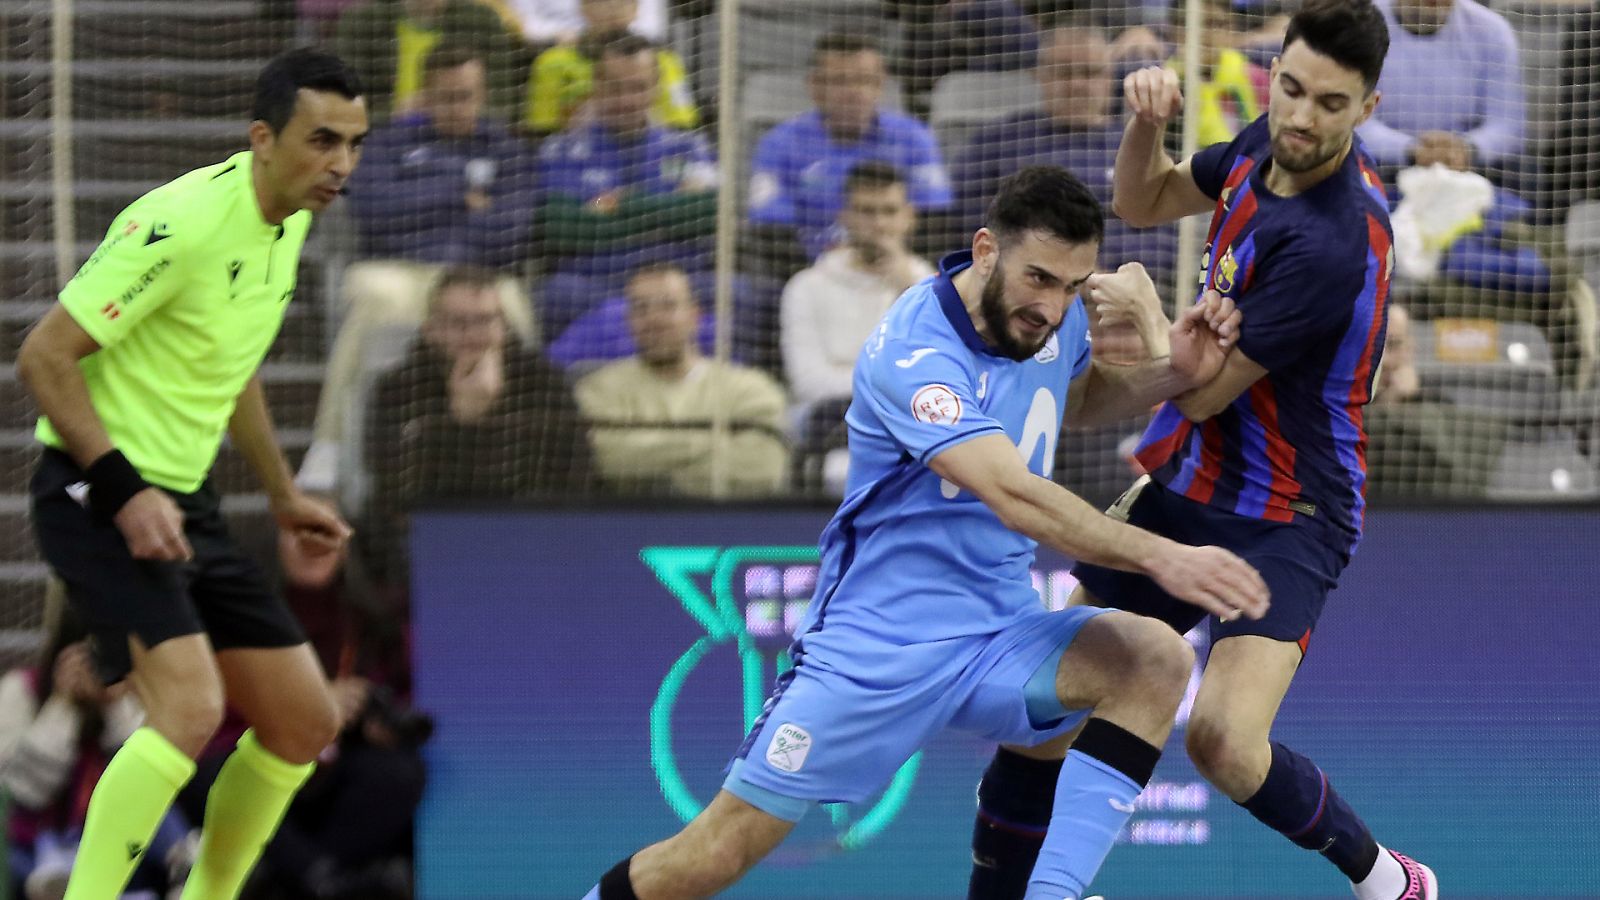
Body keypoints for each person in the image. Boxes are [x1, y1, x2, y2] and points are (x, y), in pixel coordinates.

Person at [581, 165, 1270, 900]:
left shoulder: (1055, 320)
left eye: (1072, 285)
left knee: (1153, 660)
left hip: (999, 631)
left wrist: (1172, 373)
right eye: (1037, 278)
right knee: (708, 858)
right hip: (878, 647)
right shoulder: (914, 352)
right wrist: (1163, 557)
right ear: (984, 251)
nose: (1052, 305)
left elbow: (1076, 399)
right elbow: (1012, 492)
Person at [967, 4, 1439, 900]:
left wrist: (1148, 318)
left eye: (1329, 104)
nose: (1300, 117)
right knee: (1043, 705)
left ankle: (1388, 881)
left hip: (1290, 512)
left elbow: (1204, 388)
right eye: (1290, 88)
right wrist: (1146, 126)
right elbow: (1141, 199)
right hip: (1191, 482)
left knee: (1221, 741)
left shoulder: (1335, 244)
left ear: (1367, 108)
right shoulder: (1270, 139)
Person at [15, 48, 369, 900]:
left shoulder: (292, 219)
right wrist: (123, 490)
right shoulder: (182, 224)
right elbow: (44, 357)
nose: (342, 165)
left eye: (355, 144)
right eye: (323, 141)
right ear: (263, 137)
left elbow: (230, 361)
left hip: (184, 504)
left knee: (305, 721)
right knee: (189, 709)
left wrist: (282, 493)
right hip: (93, 492)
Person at [365, 266, 594, 585]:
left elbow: (575, 470)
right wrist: (465, 423)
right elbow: (394, 484)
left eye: (485, 321)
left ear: (504, 326)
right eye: (458, 323)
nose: (473, 334)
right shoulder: (397, 388)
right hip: (434, 537)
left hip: (532, 534)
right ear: (431, 328)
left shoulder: (545, 381)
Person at [949, 16, 1178, 289]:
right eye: (1065, 72)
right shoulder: (997, 143)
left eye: (1090, 73)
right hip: (1021, 288)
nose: (1078, 85)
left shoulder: (1139, 145)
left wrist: (1102, 280)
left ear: (1110, 78)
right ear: (1040, 75)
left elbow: (1165, 236)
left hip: (1125, 293)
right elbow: (967, 224)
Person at [535, 32, 718, 330]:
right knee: (558, 294)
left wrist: (623, 205)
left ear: (656, 89)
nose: (627, 100)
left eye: (638, 88)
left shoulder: (688, 147)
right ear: (597, 86)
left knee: (737, 293)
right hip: (597, 281)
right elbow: (560, 226)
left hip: (681, 280)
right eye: (615, 88)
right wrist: (671, 209)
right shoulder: (561, 150)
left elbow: (709, 213)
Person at [574, 263, 789, 498]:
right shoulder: (599, 389)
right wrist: (713, 442)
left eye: (668, 305)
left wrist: (649, 470)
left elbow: (763, 469)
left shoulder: (749, 388)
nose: (654, 319)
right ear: (628, 320)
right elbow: (607, 461)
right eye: (640, 308)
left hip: (729, 529)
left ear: (694, 315)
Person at [747, 31, 953, 267]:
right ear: (814, 86)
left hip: (895, 271)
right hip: (807, 273)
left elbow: (935, 222)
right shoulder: (779, 144)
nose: (853, 92)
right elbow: (770, 230)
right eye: (840, 81)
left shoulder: (913, 138)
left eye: (864, 80)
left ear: (880, 84)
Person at [780, 160, 934, 415]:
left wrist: (907, 290)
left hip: (908, 417)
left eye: (889, 211)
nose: (879, 224)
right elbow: (807, 383)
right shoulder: (806, 286)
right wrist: (891, 385)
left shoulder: (928, 285)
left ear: (909, 217)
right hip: (830, 418)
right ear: (845, 217)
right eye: (866, 211)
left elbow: (933, 375)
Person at [522, 0, 698, 134]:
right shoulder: (552, 62)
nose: (613, 9)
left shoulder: (665, 61)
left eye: (622, 1)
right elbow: (541, 128)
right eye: (603, 1)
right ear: (583, 8)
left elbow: (682, 124)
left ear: (636, 9)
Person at [333, 0, 525, 122]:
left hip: (467, 141)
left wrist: (452, 110)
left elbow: (504, 106)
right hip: (385, 140)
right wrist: (396, 114)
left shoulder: (482, 20)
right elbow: (342, 107)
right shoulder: (362, 22)